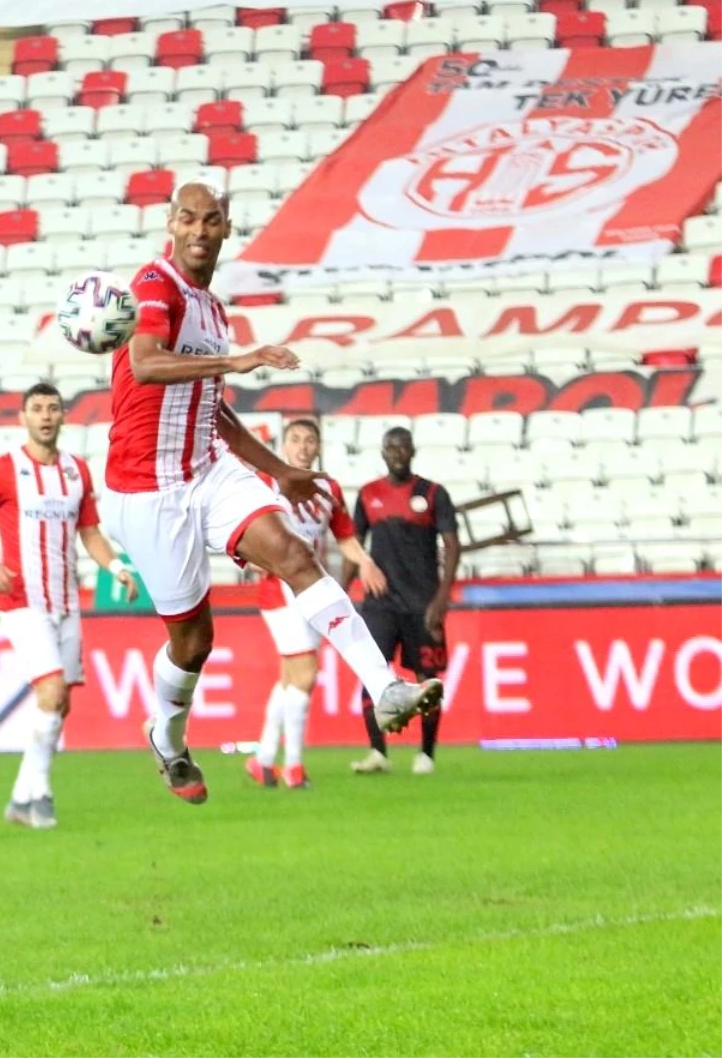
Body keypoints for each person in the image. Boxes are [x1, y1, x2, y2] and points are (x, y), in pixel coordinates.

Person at [100, 178, 442, 805]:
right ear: (170, 225)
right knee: (193, 642)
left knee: (295, 554)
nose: (200, 231)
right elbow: (147, 363)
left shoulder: (214, 311)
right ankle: (168, 738)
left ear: (227, 229)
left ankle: (385, 687)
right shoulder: (154, 285)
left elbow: (213, 410)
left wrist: (276, 470)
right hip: (147, 490)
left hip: (206, 469)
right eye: (188, 219)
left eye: (212, 221)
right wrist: (238, 361)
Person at [0, 382, 137, 830]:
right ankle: (42, 797)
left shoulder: (76, 471)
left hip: (66, 602)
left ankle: (20, 797)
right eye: (37, 409)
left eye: (53, 408)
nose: (46, 416)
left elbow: (89, 532)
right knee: (51, 691)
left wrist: (116, 568)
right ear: (23, 417)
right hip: (23, 601)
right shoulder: (3, 469)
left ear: (63, 416)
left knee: (59, 705)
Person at [244, 418, 387, 789]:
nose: (303, 447)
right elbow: (244, 531)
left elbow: (344, 536)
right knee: (306, 674)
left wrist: (365, 560)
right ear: (283, 446)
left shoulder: (328, 487)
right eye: (295, 440)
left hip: (313, 588)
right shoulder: (264, 483)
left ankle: (262, 759)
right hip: (279, 588)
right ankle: (293, 766)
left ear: (318, 447)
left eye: (310, 440)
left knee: (291, 677)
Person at [344, 427, 461, 776]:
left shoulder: (433, 493)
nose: (397, 454)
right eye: (391, 448)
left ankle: (426, 755)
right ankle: (377, 753)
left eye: (403, 448)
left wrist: (441, 599)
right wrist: (339, 588)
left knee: (427, 679)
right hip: (380, 602)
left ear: (412, 451)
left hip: (423, 604)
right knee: (372, 672)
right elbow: (354, 545)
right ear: (383, 453)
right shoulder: (368, 495)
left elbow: (453, 546)